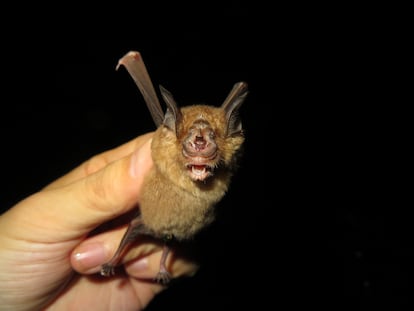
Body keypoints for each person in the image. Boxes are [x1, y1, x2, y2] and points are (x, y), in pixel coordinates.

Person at [0, 132, 198, 311]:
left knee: (165, 237)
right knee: (141, 228)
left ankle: (153, 262)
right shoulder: (154, 167)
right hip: (148, 215)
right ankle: (128, 259)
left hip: (163, 225)